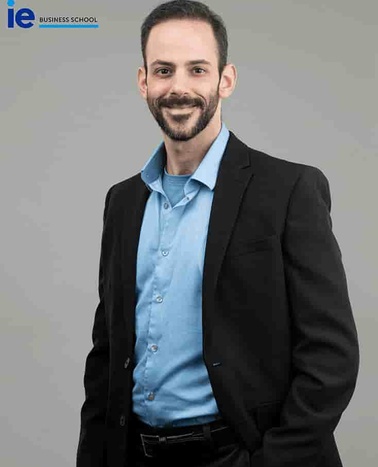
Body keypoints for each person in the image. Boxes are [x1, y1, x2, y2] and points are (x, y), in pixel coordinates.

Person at [76, 1, 359, 466]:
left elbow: (332, 358)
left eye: (197, 69)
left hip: (240, 453)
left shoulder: (289, 190)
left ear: (225, 80)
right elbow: (106, 355)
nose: (179, 88)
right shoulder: (123, 202)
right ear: (143, 81)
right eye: (164, 70)